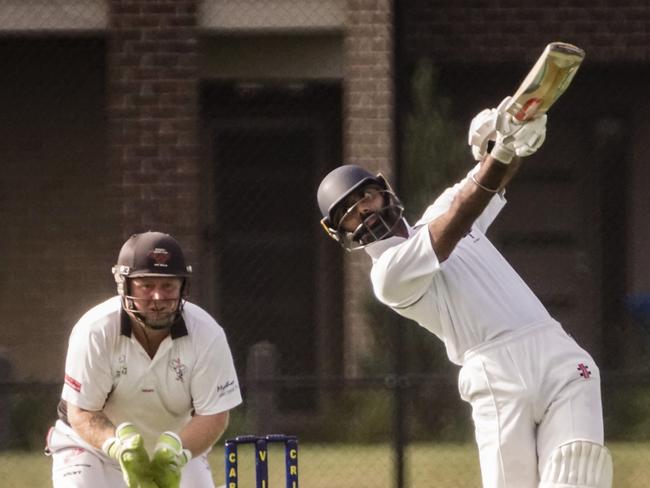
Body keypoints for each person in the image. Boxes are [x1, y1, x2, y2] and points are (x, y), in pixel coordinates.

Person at [316, 99, 613, 488]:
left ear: (384, 190)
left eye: (366, 196)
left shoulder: (442, 213)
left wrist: (513, 138)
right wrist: (501, 154)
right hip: (496, 375)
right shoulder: (388, 274)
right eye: (350, 213)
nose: (364, 212)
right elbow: (458, 217)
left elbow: (491, 182)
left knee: (580, 469)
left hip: (555, 351)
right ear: (341, 233)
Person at [46, 231, 242, 488]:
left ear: (182, 287)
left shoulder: (207, 333)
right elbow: (81, 410)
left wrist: (175, 452)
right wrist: (119, 448)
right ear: (124, 284)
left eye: (167, 286)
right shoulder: (95, 330)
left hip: (173, 451)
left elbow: (214, 414)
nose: (158, 298)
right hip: (94, 449)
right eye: (147, 286)